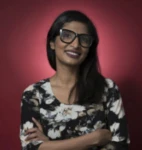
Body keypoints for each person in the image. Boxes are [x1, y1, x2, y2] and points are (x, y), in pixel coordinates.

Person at [20, 10, 130, 150]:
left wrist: (50, 145)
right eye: (66, 35)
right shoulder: (33, 94)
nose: (76, 44)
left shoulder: (107, 88)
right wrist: (93, 139)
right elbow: (30, 148)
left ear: (89, 48)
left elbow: (121, 145)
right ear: (52, 43)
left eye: (84, 39)